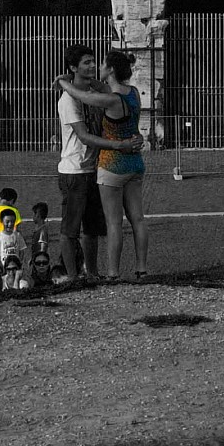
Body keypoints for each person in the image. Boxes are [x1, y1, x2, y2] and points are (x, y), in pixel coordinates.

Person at [55, 44, 135, 280]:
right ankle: (71, 277)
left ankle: (92, 274)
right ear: (73, 67)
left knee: (91, 229)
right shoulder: (68, 101)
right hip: (74, 171)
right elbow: (83, 135)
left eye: (93, 61)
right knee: (70, 229)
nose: (92, 66)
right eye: (86, 63)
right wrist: (118, 146)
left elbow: (115, 92)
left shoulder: (93, 92)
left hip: (94, 168)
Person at [96, 48, 150, 279]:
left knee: (114, 223)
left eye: (101, 64)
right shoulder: (134, 93)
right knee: (138, 218)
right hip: (135, 163)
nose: (98, 67)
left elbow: (84, 97)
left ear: (110, 69)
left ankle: (113, 272)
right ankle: (142, 268)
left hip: (112, 165)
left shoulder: (110, 99)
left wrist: (65, 83)